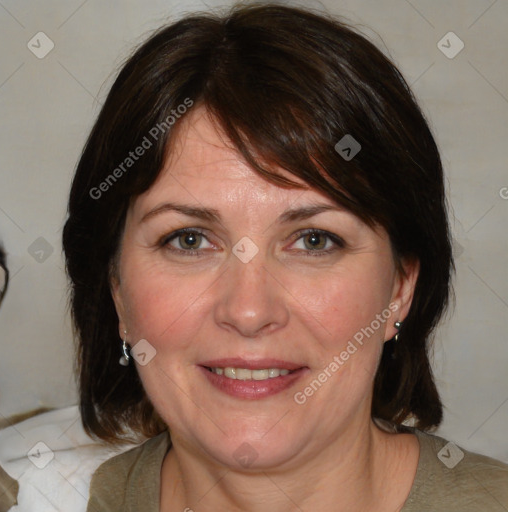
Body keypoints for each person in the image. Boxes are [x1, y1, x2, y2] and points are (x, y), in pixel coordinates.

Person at [61, 3, 508, 511]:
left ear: (401, 287)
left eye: (314, 240)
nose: (249, 311)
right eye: (189, 240)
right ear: (116, 288)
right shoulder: (39, 496)